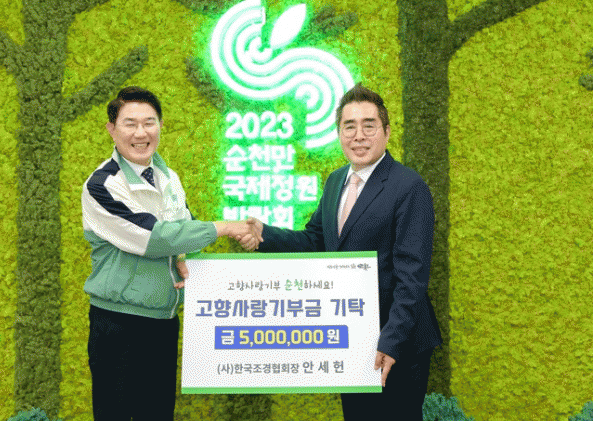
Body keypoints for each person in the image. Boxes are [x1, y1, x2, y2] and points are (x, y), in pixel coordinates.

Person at [241, 83, 442, 420]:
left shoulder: (409, 187)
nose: (358, 135)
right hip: (353, 337)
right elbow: (315, 241)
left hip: (398, 344)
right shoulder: (336, 181)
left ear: (386, 132)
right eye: (349, 126)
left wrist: (390, 342)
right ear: (339, 134)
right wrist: (265, 235)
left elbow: (412, 277)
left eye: (369, 125)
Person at [81, 86, 261, 421]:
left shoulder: (167, 177)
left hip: (163, 322)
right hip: (118, 324)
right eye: (130, 123)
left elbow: (184, 229)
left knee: (158, 413)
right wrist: (225, 227)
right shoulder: (102, 185)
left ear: (161, 126)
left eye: (149, 123)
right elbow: (154, 237)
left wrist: (182, 255)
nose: (141, 133)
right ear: (111, 129)